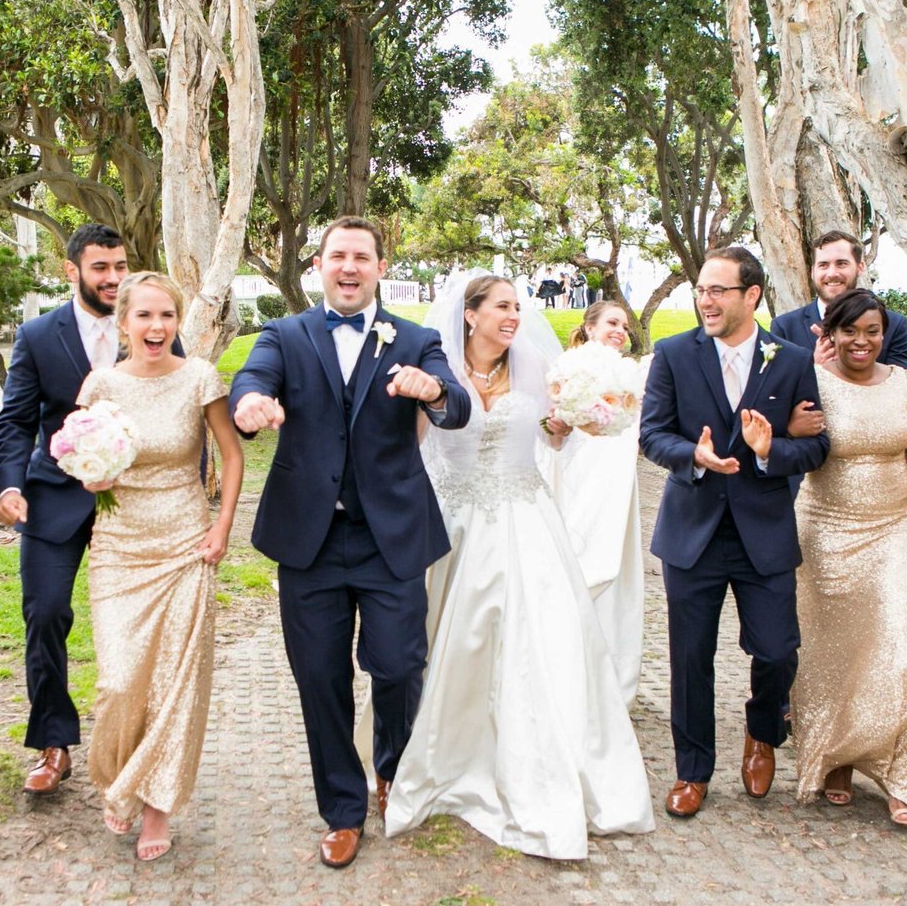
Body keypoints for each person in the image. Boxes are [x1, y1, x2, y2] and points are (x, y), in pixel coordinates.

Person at [229, 215, 471, 869]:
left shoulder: (414, 338)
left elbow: (457, 400)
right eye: (338, 255)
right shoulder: (284, 334)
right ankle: (342, 808)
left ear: (380, 267)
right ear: (319, 265)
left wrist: (436, 392)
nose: (349, 266)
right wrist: (250, 407)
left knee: (397, 664)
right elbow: (250, 382)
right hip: (308, 539)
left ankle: (392, 768)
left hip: (390, 535)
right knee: (320, 677)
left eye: (361, 256)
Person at [386, 275, 656, 859]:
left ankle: (535, 758)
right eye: (502, 307)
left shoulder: (535, 364)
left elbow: (553, 438)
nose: (513, 316)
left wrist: (568, 423)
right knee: (438, 636)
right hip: (451, 516)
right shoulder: (439, 368)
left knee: (536, 637)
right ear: (469, 315)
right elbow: (409, 445)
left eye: (516, 307)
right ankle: (438, 755)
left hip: (524, 516)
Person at [639, 246, 829, 818]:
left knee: (777, 650)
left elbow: (818, 444)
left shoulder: (791, 359)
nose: (706, 300)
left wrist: (772, 452)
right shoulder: (673, 354)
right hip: (692, 531)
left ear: (752, 296)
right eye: (701, 290)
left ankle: (762, 730)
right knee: (689, 657)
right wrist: (692, 456)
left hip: (764, 531)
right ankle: (692, 771)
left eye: (719, 290)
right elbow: (651, 434)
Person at [0, 223, 182, 796]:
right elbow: (17, 419)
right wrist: (10, 485)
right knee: (46, 612)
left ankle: (138, 740)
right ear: (71, 271)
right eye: (101, 268)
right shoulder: (37, 335)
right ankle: (54, 743)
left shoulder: (155, 325)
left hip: (135, 508)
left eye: (120, 266)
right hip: (54, 497)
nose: (113, 278)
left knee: (136, 632)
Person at [76, 272, 243, 861]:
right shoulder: (100, 384)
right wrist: (91, 475)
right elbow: (82, 459)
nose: (156, 327)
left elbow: (229, 451)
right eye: (144, 316)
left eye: (166, 316)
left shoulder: (199, 377)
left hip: (185, 543)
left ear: (178, 322)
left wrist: (221, 528)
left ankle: (156, 805)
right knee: (120, 680)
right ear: (123, 323)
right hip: (119, 546)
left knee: (175, 682)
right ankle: (118, 775)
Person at [786, 289, 907, 825]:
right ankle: (838, 759)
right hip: (825, 529)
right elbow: (787, 445)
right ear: (830, 333)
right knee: (833, 650)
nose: (862, 341)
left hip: (896, 528)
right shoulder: (808, 383)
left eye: (872, 331)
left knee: (902, 647)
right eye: (850, 331)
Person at [547, 301, 645, 707]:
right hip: (576, 476)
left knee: (614, 573)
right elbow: (548, 423)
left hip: (617, 481)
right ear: (588, 327)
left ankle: (608, 678)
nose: (620, 330)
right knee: (571, 565)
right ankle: (560, 669)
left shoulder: (634, 373)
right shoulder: (565, 368)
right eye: (611, 322)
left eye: (625, 325)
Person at [769, 230, 907, 369]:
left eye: (841, 263)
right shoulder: (785, 327)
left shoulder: (894, 325)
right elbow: (776, 388)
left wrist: (855, 361)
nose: (832, 273)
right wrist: (814, 367)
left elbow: (902, 386)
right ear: (812, 272)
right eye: (823, 265)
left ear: (860, 267)